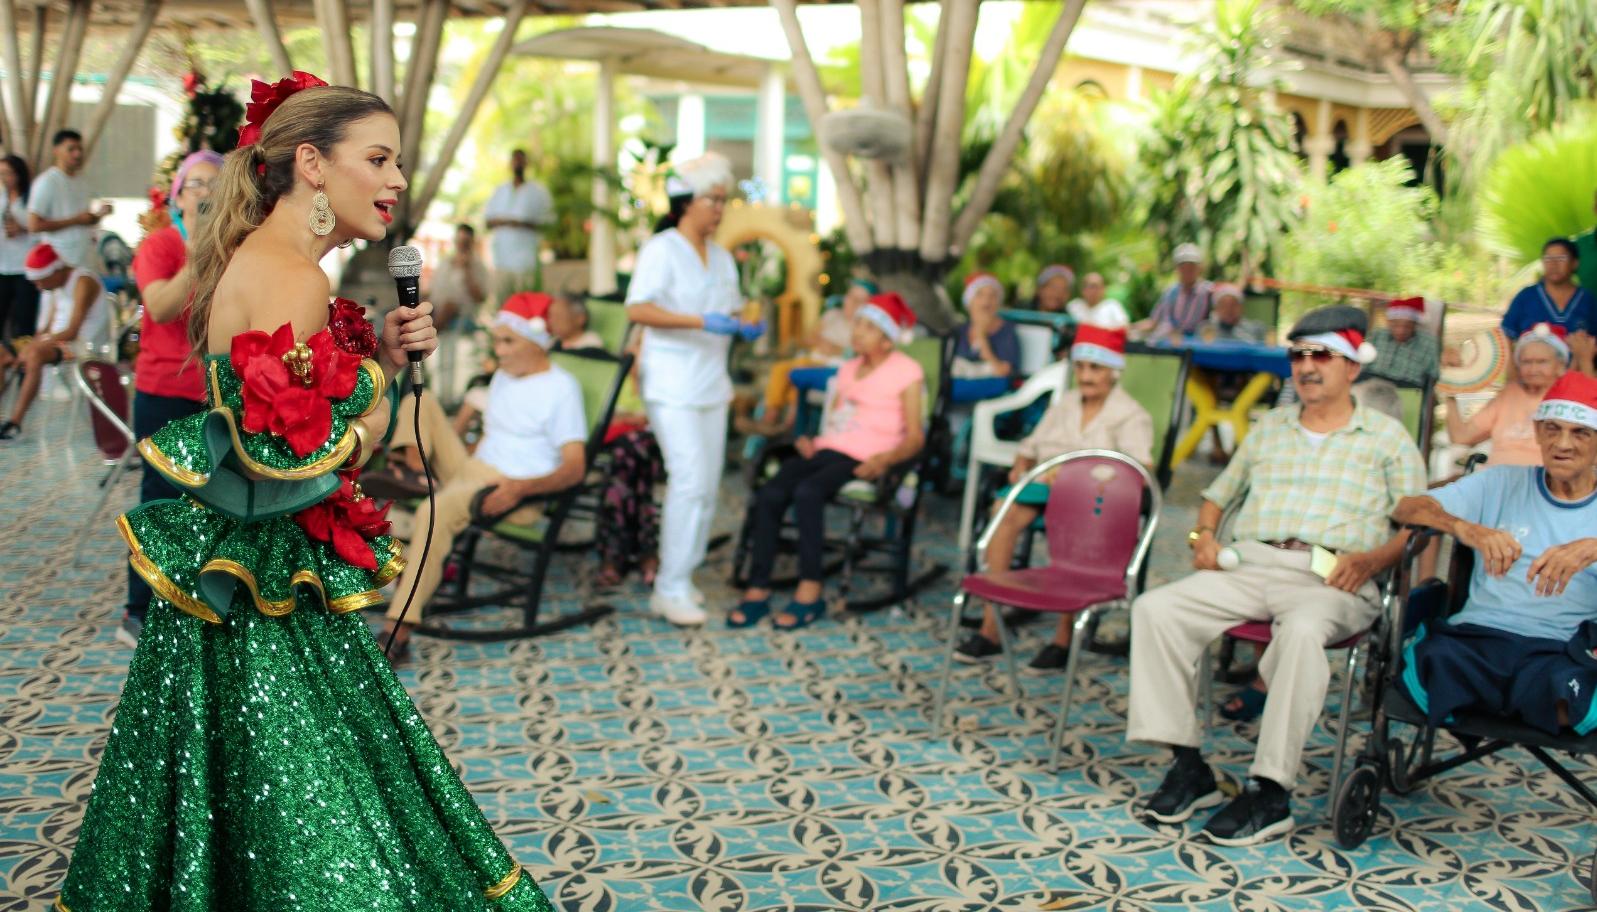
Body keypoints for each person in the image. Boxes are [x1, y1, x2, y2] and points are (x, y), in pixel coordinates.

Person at [51, 73, 555, 909]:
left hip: (249, 577)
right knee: (312, 813)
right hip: (271, 595)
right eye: (380, 159)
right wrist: (377, 407)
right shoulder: (294, 275)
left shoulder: (275, 263)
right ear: (313, 165)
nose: (396, 180)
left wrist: (379, 361)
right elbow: (273, 461)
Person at [1126, 305, 1425, 846]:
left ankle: (1271, 791)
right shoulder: (1270, 429)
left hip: (1335, 577)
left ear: (1352, 366)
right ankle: (1188, 765)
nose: (1307, 366)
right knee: (1155, 609)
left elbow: (1414, 526)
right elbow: (1216, 497)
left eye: (1322, 356)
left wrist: (1373, 561)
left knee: (1304, 631)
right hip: (1251, 564)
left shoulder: (1386, 438)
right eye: (1299, 355)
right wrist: (1203, 539)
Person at [1393, 370, 1597, 736]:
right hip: (1478, 637)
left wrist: (1593, 548)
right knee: (1434, 663)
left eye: (1580, 432)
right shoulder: (1501, 481)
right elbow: (1407, 507)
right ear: (1537, 433)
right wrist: (1467, 529)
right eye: (1552, 429)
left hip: (1560, 649)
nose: (1562, 444)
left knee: (1569, 692)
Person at [384, 291, 587, 658]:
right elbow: (495, 438)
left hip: (512, 489)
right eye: (498, 341)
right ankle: (412, 469)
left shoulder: (562, 388)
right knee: (420, 398)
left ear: (537, 342)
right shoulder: (506, 377)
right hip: (474, 472)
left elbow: (576, 468)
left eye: (509, 341)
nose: (501, 351)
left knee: (435, 511)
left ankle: (398, 627)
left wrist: (521, 490)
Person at [954, 324, 1154, 670]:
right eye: (1080, 367)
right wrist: (1021, 462)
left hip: (1092, 499)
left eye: (1095, 368)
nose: (1086, 375)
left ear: (1113, 372)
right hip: (1045, 487)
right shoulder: (1064, 404)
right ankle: (991, 627)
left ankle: (1063, 637)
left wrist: (1083, 476)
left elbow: (1141, 470)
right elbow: (1031, 444)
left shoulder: (1131, 415)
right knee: (1003, 509)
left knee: (1077, 524)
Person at [731, 292, 924, 630]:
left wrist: (885, 460)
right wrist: (811, 441)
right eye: (858, 324)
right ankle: (758, 588)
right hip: (829, 449)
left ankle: (810, 589)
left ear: (887, 338)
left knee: (809, 492)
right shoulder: (848, 368)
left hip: (868, 455)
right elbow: (837, 422)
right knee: (770, 493)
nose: (857, 331)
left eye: (868, 327)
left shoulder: (907, 371)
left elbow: (915, 437)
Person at [625, 152, 763, 626]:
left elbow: (734, 308)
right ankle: (668, 586)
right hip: (671, 383)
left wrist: (746, 322)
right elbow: (638, 309)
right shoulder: (662, 248)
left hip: (712, 383)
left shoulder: (723, 257)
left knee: (707, 485)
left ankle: (684, 576)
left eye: (725, 200)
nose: (720, 209)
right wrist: (699, 319)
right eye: (713, 199)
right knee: (686, 480)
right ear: (687, 201)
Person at [117, 150, 223, 646]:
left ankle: (189, 603)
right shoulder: (161, 245)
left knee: (208, 505)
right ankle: (138, 609)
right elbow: (158, 308)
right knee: (159, 505)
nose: (204, 193)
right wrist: (198, 250)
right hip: (163, 393)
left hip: (215, 395)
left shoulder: (233, 248)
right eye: (195, 185)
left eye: (214, 185)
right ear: (178, 196)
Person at [741, 277, 874, 437]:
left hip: (832, 366)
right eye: (850, 297)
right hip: (813, 357)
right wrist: (818, 342)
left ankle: (775, 419)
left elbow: (858, 354)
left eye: (858, 300)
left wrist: (835, 349)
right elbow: (808, 338)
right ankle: (779, 421)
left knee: (786, 370)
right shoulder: (832, 315)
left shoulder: (863, 326)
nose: (851, 303)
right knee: (787, 369)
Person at [0, 242, 105, 438]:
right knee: (2, 353)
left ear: (53, 272)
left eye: (40, 281)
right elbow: (48, 327)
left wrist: (35, 345)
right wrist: (33, 342)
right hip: (56, 341)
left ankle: (15, 422)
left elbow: (72, 331)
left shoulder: (83, 281)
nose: (38, 287)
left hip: (83, 345)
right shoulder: (58, 284)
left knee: (34, 354)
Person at [1445, 323, 1568, 467]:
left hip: (1545, 482)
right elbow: (1461, 436)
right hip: (1496, 480)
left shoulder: (1569, 398)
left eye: (1542, 362)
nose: (1533, 369)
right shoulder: (1508, 394)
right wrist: (1450, 389)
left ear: (1560, 366)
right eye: (1526, 362)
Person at [1501, 239, 1593, 369]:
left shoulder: (1587, 300)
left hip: (1575, 382)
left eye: (1561, 258)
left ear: (1574, 263)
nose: (1553, 264)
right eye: (1548, 259)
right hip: (1531, 381)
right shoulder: (1526, 297)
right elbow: (1506, 336)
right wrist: (1512, 373)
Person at [27, 129, 109, 268]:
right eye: (71, 149)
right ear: (56, 151)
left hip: (84, 258)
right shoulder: (47, 182)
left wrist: (98, 215)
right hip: (59, 262)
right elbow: (34, 225)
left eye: (79, 149)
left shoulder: (83, 180)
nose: (77, 154)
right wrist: (75, 220)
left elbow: (84, 219)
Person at [427, 222, 490, 402]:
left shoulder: (478, 266)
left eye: (465, 241)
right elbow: (433, 292)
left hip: (463, 322)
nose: (461, 244)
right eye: (459, 240)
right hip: (440, 319)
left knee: (458, 367)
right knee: (440, 367)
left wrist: (467, 270)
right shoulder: (445, 263)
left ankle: (454, 402)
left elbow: (480, 297)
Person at [483, 148, 552, 298]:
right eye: (515, 160)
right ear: (510, 164)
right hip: (501, 259)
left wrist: (522, 224)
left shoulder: (538, 192)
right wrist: (502, 222)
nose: (518, 164)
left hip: (526, 261)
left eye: (521, 160)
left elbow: (549, 223)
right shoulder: (500, 191)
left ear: (527, 163)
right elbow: (487, 222)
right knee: (503, 305)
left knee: (525, 304)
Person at [1133, 243, 1212, 338]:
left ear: (1199, 268)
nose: (1187, 270)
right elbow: (1153, 322)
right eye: (1183, 267)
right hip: (1171, 344)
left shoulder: (1209, 291)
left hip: (1198, 346)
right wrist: (1130, 328)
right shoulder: (1170, 292)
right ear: (1177, 269)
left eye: (1191, 266)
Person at [953, 272, 1020, 379]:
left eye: (992, 296)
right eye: (979, 294)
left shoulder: (1007, 331)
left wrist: (982, 338)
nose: (986, 301)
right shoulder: (960, 330)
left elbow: (1003, 373)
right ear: (969, 302)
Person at [0, 153, 38, 342]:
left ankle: (24, 358)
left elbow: (41, 230)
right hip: (3, 266)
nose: (5, 179)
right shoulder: (2, 199)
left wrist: (22, 229)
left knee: (24, 320)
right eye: (2, 174)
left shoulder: (30, 201)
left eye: (9, 174)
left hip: (24, 268)